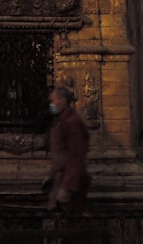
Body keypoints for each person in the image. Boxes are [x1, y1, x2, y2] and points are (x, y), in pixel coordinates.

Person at [45, 85, 90, 214]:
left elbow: (76, 156)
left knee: (72, 223)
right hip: (61, 179)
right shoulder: (61, 121)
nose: (52, 104)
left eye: (53, 101)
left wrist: (68, 187)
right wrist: (51, 175)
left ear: (63, 101)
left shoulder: (71, 122)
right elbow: (60, 154)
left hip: (71, 183)